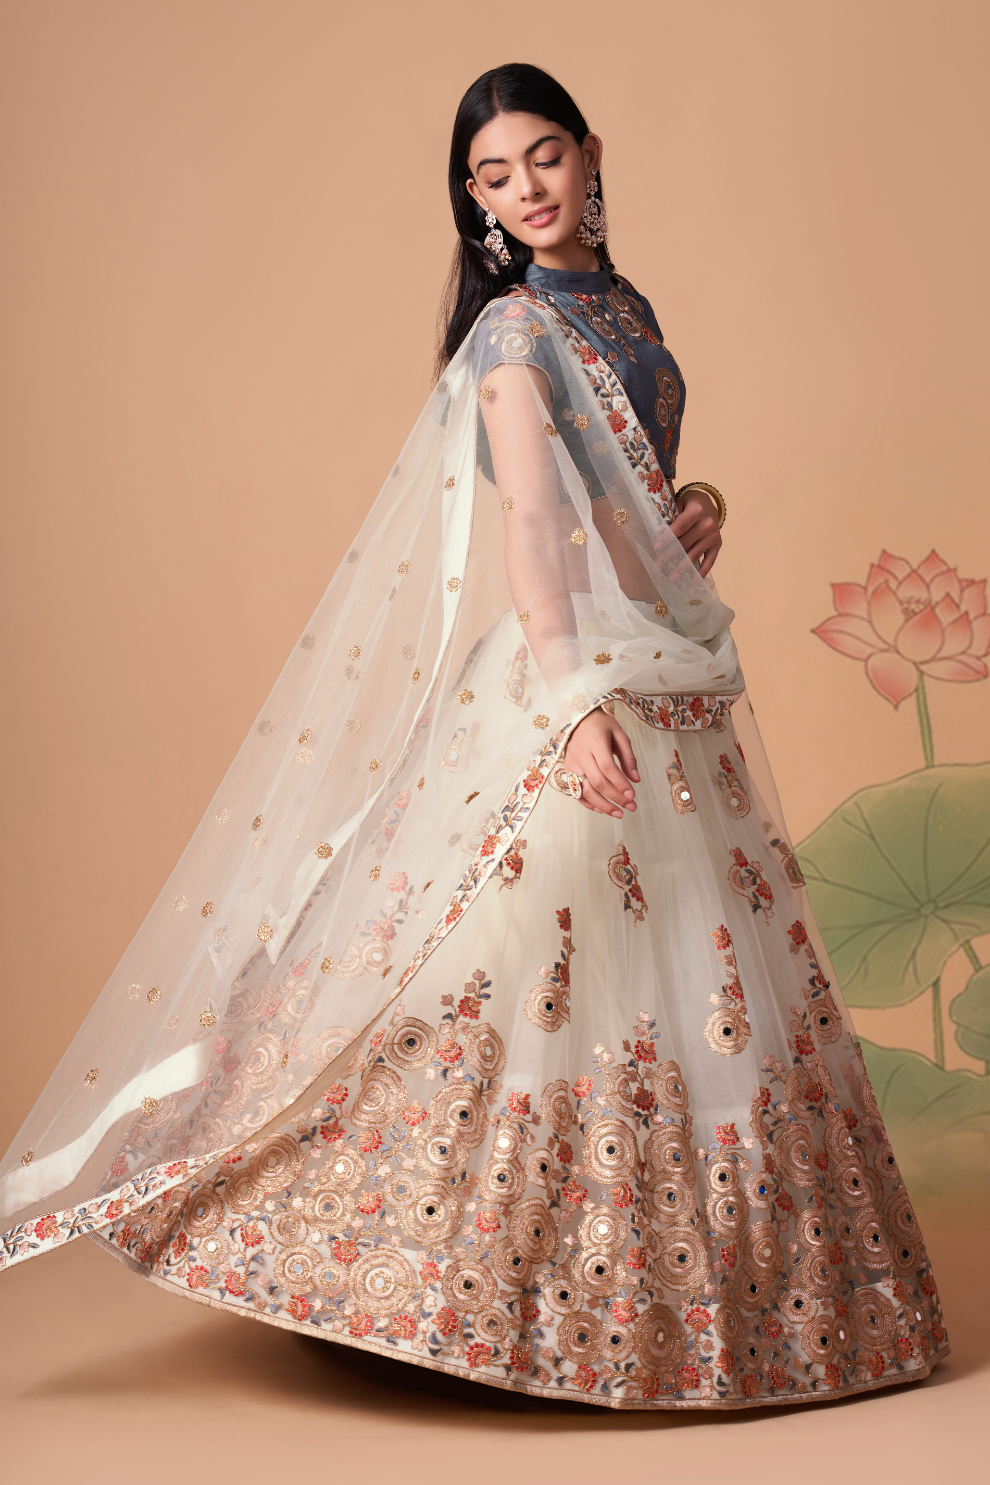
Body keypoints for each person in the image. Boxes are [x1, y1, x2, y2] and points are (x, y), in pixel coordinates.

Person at [0, 64, 947, 1410]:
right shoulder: (512, 332)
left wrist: (700, 511)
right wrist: (571, 707)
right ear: (474, 198)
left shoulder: (622, 305)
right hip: (578, 673)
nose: (525, 190)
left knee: (685, 972)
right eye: (494, 177)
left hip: (661, 661)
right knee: (535, 962)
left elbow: (629, 498)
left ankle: (705, 1292)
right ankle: (468, 1282)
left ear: (590, 153)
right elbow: (532, 529)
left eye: (543, 157)